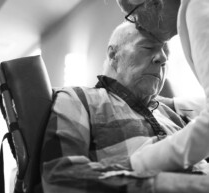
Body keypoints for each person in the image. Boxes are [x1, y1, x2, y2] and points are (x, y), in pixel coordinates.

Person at [40, 21, 209, 193]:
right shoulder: (78, 99)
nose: (163, 58)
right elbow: (61, 177)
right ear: (114, 55)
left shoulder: (172, 113)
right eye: (148, 47)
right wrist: (171, 185)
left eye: (166, 53)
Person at [117, 0, 209, 175]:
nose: (138, 25)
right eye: (146, 48)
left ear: (153, 2)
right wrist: (175, 104)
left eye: (133, 16)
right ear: (113, 55)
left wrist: (140, 162)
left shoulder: (197, 8)